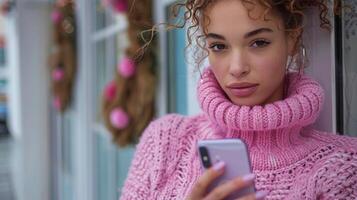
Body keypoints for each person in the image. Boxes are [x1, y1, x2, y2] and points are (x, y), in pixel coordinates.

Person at [120, 0, 357, 199]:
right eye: (219, 46)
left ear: (292, 40)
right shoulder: (165, 141)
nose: (237, 68)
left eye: (258, 43)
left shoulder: (343, 167)